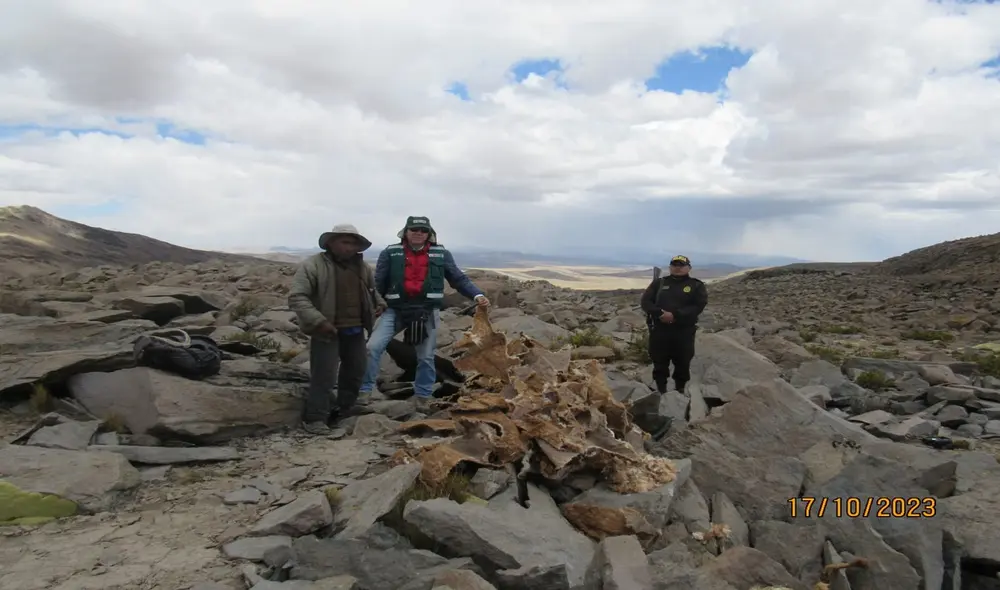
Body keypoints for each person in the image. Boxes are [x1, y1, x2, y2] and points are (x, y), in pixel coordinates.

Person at [360, 215, 490, 411]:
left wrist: (477, 295)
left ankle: (423, 396)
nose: (418, 233)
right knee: (372, 347)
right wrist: (374, 305)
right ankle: (364, 392)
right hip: (395, 310)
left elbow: (458, 279)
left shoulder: (441, 254)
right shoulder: (390, 253)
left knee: (426, 356)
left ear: (429, 234)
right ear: (406, 232)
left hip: (426, 312)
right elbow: (378, 283)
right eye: (414, 229)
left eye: (423, 230)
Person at [288, 224, 386, 435]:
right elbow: (297, 297)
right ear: (331, 243)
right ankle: (315, 417)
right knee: (324, 375)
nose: (349, 247)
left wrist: (379, 302)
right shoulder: (313, 265)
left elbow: (371, 290)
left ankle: (345, 408)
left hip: (355, 329)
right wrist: (318, 321)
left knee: (356, 370)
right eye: (344, 242)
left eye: (353, 243)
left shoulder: (361, 267)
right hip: (326, 330)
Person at [640, 254, 709, 395]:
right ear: (670, 267)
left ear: (689, 268)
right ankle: (660, 390)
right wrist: (659, 313)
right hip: (660, 330)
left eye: (681, 265)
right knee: (659, 361)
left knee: (683, 361)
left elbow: (698, 305)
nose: (678, 268)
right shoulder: (659, 283)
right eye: (675, 265)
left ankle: (680, 390)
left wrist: (676, 315)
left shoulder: (696, 285)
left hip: (683, 331)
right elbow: (645, 302)